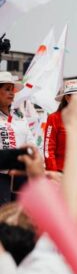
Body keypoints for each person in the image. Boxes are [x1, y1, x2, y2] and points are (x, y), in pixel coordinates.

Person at [0, 71, 32, 204]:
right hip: (2, 175)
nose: (11, 93)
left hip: (20, 174)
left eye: (12, 89)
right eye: (7, 89)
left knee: (20, 216)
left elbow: (30, 141)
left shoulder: (19, 115)